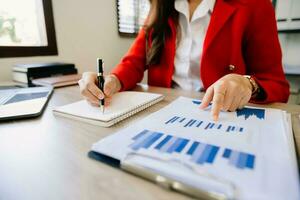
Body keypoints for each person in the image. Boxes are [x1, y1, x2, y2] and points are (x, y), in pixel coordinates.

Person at [78, 0, 290, 121]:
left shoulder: (255, 5)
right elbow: (133, 62)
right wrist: (111, 80)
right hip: (163, 114)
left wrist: (247, 83)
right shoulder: (159, 8)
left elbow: (276, 84)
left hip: (221, 116)